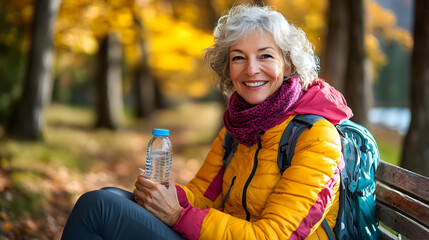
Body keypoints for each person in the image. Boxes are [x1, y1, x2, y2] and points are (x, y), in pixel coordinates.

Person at [61, 4, 353, 240]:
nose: (251, 69)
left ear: (287, 64)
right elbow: (205, 196)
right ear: (228, 68)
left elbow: (274, 235)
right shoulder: (237, 127)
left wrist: (176, 216)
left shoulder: (316, 137)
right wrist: (166, 194)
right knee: (110, 196)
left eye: (265, 56)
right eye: (239, 58)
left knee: (98, 207)